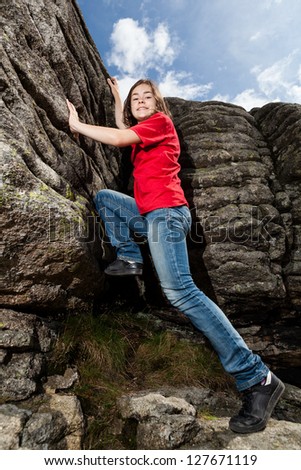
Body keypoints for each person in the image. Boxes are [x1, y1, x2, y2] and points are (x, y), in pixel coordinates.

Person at [66, 77, 285, 434]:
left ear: (158, 104)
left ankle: (256, 377)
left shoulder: (161, 123)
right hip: (148, 213)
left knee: (181, 291)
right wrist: (117, 97)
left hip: (166, 213)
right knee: (106, 199)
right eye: (136, 97)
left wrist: (76, 125)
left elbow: (121, 136)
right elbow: (124, 127)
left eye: (145, 97)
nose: (139, 101)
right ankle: (131, 257)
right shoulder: (142, 132)